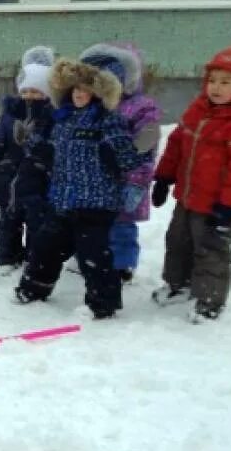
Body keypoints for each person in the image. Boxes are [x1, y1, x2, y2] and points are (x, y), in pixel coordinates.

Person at [14, 58, 149, 319]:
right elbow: (49, 148)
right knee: (46, 246)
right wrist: (30, 143)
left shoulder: (107, 122)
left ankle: (103, 303)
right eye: (75, 89)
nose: (79, 94)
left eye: (85, 90)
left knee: (93, 255)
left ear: (97, 94)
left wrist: (124, 153)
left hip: (96, 203)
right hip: (63, 200)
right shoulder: (62, 119)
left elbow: (128, 155)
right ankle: (34, 289)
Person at [150, 47, 231, 323]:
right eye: (213, 80)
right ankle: (178, 284)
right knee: (178, 242)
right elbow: (177, 143)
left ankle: (209, 300)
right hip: (187, 198)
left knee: (211, 250)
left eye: (226, 82)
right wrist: (164, 178)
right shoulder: (198, 110)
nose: (216, 88)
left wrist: (230, 206)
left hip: (216, 205)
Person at [78, 42, 161, 283]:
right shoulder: (90, 106)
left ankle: (123, 264)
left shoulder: (139, 107)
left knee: (121, 225)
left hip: (126, 180)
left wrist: (136, 179)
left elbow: (147, 142)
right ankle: (91, 258)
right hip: (93, 180)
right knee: (92, 223)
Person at [0, 45, 55, 271]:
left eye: (37, 91)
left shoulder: (51, 116)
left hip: (37, 180)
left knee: (36, 223)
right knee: (8, 221)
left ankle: (33, 258)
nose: (30, 96)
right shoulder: (10, 114)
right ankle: (7, 258)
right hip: (8, 178)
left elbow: (54, 147)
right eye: (26, 91)